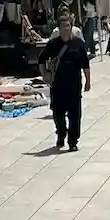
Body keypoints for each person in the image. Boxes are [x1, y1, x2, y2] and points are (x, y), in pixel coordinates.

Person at [38, 14, 92, 151]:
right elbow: (41, 59)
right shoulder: (53, 44)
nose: (66, 29)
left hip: (74, 85)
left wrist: (88, 81)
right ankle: (61, 134)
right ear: (59, 28)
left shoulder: (78, 43)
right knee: (58, 114)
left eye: (68, 26)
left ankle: (73, 141)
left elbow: (85, 63)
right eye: (63, 26)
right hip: (57, 85)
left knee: (75, 115)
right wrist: (44, 75)